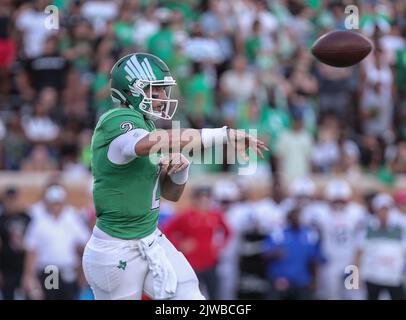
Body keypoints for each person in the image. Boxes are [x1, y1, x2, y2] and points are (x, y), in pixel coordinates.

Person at [81, 52, 267, 300]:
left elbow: (171, 194)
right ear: (131, 91)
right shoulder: (117, 120)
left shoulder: (146, 124)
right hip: (116, 250)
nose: (162, 98)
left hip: (149, 238)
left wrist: (181, 170)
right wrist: (223, 134)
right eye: (155, 91)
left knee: (191, 295)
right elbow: (157, 142)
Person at [164, 185, 230, 299]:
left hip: (210, 262)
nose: (204, 200)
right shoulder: (186, 215)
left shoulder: (215, 215)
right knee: (192, 295)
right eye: (201, 197)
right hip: (192, 263)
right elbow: (166, 231)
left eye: (207, 197)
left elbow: (228, 232)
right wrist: (180, 244)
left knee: (215, 294)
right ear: (195, 199)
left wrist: (219, 247)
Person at [263, 207, 323, 300]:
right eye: (293, 217)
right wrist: (274, 253)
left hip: (302, 281)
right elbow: (265, 254)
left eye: (298, 217)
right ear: (288, 219)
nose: (296, 220)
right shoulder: (278, 235)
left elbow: (314, 260)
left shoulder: (310, 235)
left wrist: (314, 280)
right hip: (281, 280)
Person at [355, 193, 406, 300]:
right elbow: (359, 253)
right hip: (373, 276)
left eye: (386, 209)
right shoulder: (367, 228)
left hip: (394, 277)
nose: (384, 213)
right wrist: (355, 277)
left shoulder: (400, 228)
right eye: (381, 209)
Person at [0, 187, 31, 300]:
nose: (12, 203)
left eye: (14, 200)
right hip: (7, 268)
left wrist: (30, 272)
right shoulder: (1, 219)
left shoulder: (27, 218)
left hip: (25, 266)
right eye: (9, 200)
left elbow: (33, 245)